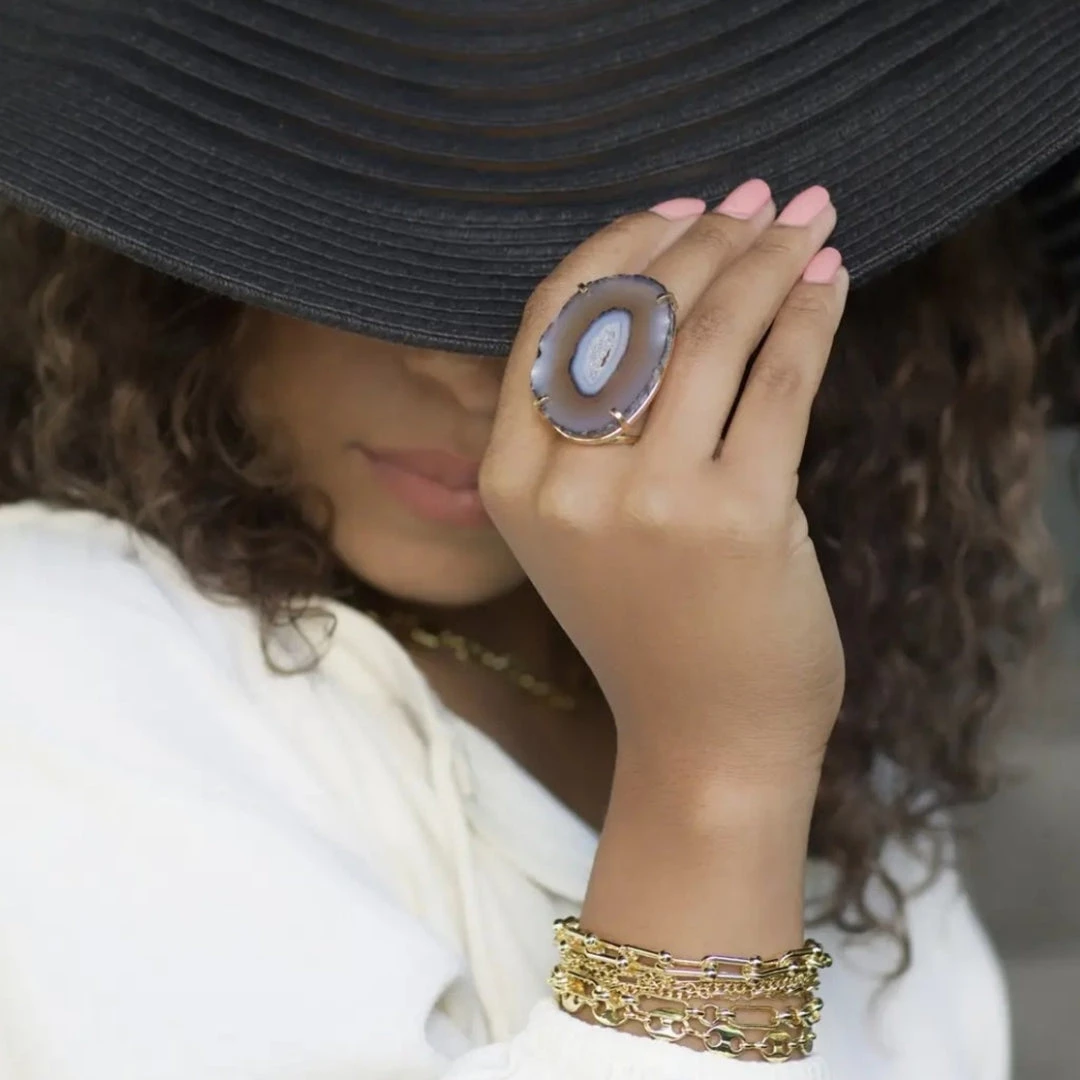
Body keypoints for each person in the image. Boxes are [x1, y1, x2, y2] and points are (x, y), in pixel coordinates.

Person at [0, 1, 1078, 1077]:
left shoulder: (840, 760)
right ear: (191, 271)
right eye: (374, 262)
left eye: (605, 295)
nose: (469, 376)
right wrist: (715, 780)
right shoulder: (54, 655)